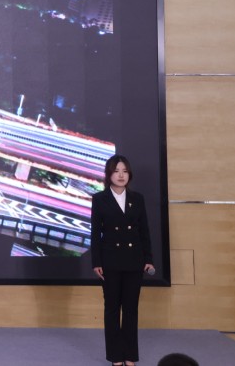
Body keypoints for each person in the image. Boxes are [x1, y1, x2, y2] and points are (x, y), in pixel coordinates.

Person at [91, 154, 154, 366]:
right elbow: (95, 233)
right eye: (116, 171)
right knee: (111, 310)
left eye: (125, 171)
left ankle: (130, 356)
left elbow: (144, 231)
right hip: (109, 262)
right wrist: (96, 262)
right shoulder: (99, 199)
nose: (121, 175)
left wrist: (148, 258)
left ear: (129, 174)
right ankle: (115, 357)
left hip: (134, 261)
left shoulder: (137, 198)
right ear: (108, 174)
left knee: (130, 310)